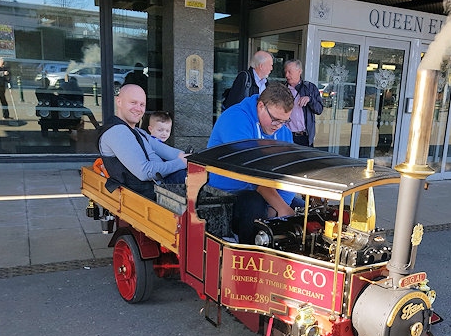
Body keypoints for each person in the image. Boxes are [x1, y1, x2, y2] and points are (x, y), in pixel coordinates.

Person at [208, 83, 301, 243]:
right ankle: (247, 256)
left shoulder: (283, 131)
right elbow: (250, 172)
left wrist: (278, 207)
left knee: (302, 209)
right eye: (275, 120)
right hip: (226, 192)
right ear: (260, 106)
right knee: (253, 204)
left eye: (284, 121)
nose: (278, 126)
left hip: (267, 190)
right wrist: (280, 208)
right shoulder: (235, 119)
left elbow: (289, 172)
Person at [98, 84, 188, 200]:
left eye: (142, 104)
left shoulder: (138, 131)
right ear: (119, 102)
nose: (138, 108)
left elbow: (167, 151)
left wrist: (189, 158)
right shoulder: (117, 132)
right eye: (133, 103)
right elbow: (145, 172)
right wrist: (181, 163)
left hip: (158, 185)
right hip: (148, 194)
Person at [283, 59, 324, 147]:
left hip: (305, 136)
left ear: (299, 71)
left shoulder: (310, 88)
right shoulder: (281, 89)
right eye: (285, 72)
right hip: (286, 135)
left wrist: (310, 99)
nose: (286, 75)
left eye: (290, 72)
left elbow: (319, 109)